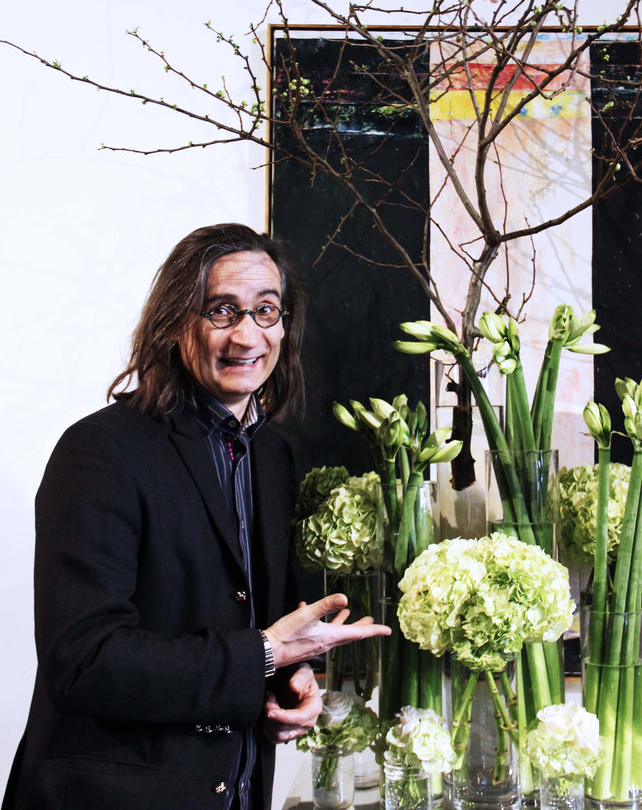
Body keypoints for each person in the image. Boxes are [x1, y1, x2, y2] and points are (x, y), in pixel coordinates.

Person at [2, 223, 389, 810]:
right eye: (222, 311)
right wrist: (264, 654)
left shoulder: (273, 456)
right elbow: (83, 661)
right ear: (176, 323)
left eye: (266, 310)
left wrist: (292, 680)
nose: (247, 335)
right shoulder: (100, 451)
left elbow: (259, 623)